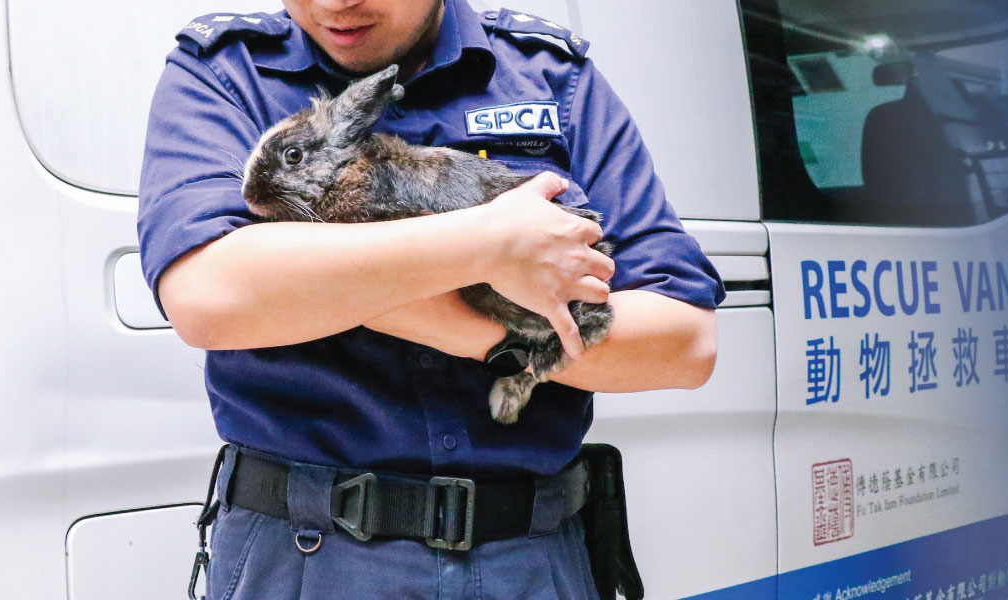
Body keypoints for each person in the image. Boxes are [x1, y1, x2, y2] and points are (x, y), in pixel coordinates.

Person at [137, 0, 721, 597]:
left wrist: (482, 334)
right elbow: (210, 297)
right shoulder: (226, 71)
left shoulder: (552, 76)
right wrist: (491, 244)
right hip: (308, 554)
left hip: (531, 551)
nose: (336, 3)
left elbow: (686, 345)